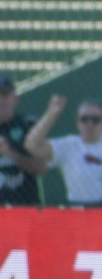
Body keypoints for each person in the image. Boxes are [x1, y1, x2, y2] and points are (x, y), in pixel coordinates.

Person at [24, 95, 102, 207]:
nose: (89, 124)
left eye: (95, 120)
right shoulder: (68, 145)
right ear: (77, 122)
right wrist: (52, 113)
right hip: (83, 209)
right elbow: (32, 145)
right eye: (84, 119)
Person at [0, 75, 46, 206]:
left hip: (25, 207)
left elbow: (41, 168)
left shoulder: (27, 125)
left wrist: (10, 153)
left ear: (15, 99)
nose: (0, 100)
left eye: (4, 95)